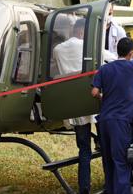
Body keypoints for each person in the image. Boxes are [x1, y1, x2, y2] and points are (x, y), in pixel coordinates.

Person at [91, 37, 133, 194]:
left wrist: (104, 97)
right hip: (121, 120)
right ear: (132, 53)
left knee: (108, 159)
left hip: (104, 120)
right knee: (121, 160)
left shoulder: (105, 69)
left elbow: (94, 92)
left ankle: (110, 190)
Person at [54, 19, 95, 194]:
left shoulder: (58, 49)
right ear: (83, 31)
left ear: (73, 29)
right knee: (107, 146)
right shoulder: (89, 47)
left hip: (74, 104)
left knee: (84, 149)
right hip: (94, 101)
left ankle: (84, 188)